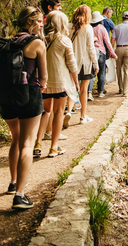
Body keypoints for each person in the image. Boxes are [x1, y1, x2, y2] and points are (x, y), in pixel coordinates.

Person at [1, 6, 47, 210]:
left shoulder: (6, 42)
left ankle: (12, 183)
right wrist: (42, 87)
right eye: (38, 21)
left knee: (16, 139)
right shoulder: (37, 43)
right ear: (29, 22)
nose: (40, 25)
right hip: (29, 95)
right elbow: (43, 77)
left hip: (7, 96)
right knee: (28, 143)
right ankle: (20, 195)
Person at [35, 11, 79, 159]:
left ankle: (37, 144)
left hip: (44, 82)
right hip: (60, 83)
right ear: (62, 24)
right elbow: (71, 64)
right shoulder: (64, 40)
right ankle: (54, 147)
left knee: (45, 112)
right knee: (59, 112)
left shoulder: (41, 39)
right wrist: (76, 82)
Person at [70, 4, 98, 123]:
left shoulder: (69, 27)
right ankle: (83, 116)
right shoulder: (88, 28)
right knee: (84, 89)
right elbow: (91, 48)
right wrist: (96, 64)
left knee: (71, 88)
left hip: (71, 62)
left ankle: (68, 112)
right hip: (85, 64)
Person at [90, 10, 116, 98]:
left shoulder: (88, 28)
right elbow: (108, 42)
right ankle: (100, 91)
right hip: (101, 51)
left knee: (91, 72)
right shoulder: (102, 28)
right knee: (102, 72)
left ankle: (89, 93)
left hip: (91, 51)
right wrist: (113, 53)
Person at [102, 7, 116, 78]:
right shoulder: (109, 21)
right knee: (105, 62)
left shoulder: (95, 20)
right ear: (107, 12)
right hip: (105, 45)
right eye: (111, 13)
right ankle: (103, 79)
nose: (111, 15)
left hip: (95, 45)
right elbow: (114, 34)